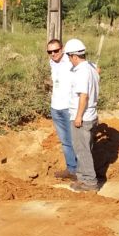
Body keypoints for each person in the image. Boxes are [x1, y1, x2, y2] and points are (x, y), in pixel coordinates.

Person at [64, 38, 100, 192]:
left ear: (74, 56)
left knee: (82, 150)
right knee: (85, 148)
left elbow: (83, 95)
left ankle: (90, 183)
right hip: (91, 115)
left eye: (69, 57)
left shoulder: (82, 72)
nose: (69, 60)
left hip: (83, 117)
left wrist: (78, 116)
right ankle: (82, 178)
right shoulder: (91, 67)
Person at [46, 38, 78, 181]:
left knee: (74, 140)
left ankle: (82, 171)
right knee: (65, 141)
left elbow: (93, 69)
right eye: (50, 51)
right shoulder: (52, 63)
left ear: (62, 49)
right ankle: (71, 169)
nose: (53, 54)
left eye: (56, 50)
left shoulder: (71, 61)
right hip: (56, 107)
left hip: (69, 107)